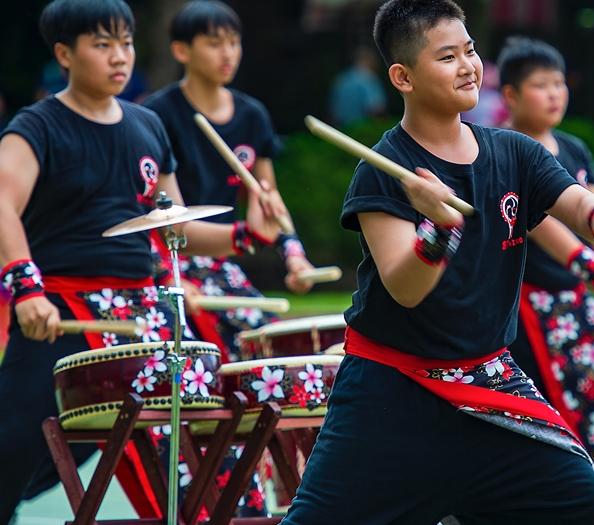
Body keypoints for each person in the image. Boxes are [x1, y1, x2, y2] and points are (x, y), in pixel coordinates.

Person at [281, 1, 594, 523]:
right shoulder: (386, 171)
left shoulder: (515, 153)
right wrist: (438, 229)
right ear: (402, 76)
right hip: (392, 391)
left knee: (580, 505)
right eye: (447, 57)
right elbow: (405, 286)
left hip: (489, 382)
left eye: (470, 51)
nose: (469, 65)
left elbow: (573, 201)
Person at [0, 1, 281, 521]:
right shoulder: (35, 127)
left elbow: (174, 228)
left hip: (141, 317)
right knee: (14, 441)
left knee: (201, 422)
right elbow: (2, 204)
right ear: (64, 53)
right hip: (61, 310)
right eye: (101, 44)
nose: (119, 56)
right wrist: (26, 288)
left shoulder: (147, 125)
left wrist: (244, 236)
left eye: (125, 42)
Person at [497, 35, 594, 489]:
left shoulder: (574, 149)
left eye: (559, 83)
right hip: (527, 304)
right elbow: (539, 222)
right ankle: (569, 490)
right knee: (552, 409)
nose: (555, 93)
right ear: (511, 95)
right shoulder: (505, 149)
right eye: (541, 85)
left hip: (578, 297)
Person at [144, 0, 315, 358]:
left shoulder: (252, 116)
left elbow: (269, 200)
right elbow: (165, 223)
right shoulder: (156, 115)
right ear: (181, 50)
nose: (228, 54)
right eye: (214, 43)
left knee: (273, 350)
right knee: (192, 358)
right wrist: (246, 237)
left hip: (221, 260)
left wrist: (294, 257)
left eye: (234, 42)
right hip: (165, 262)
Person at [328, 46, 386, 126]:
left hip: (341, 128)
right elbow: (376, 108)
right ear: (369, 60)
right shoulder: (369, 78)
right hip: (363, 130)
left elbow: (333, 109)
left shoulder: (341, 78)